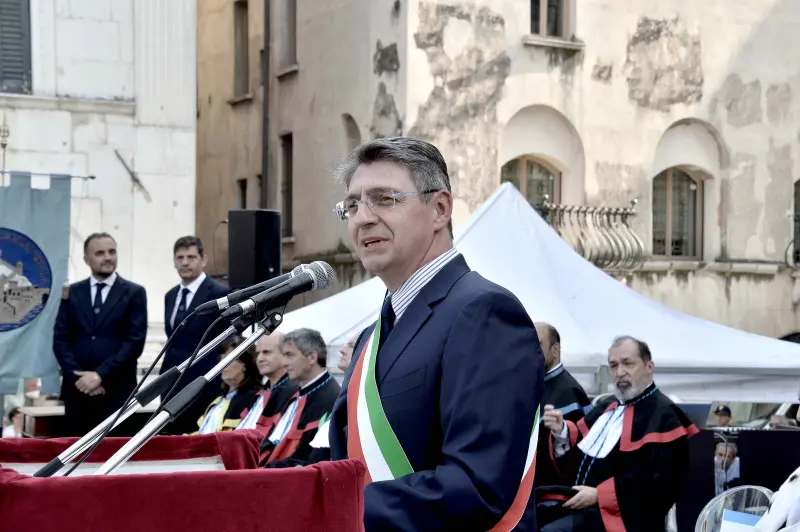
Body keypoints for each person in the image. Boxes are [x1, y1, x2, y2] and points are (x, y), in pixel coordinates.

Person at [327, 137, 544, 531]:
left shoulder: (485, 312)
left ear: (440, 208)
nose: (363, 218)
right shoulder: (370, 338)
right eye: (353, 205)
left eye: (385, 199)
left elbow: (478, 486)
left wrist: (326, 506)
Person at [540, 336, 698, 532]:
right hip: (582, 507)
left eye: (627, 363)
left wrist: (600, 495)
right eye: (613, 366)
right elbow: (580, 453)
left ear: (649, 367)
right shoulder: (607, 407)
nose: (620, 372)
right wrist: (561, 431)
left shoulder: (665, 416)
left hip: (623, 519)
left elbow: (661, 484)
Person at [53, 233, 148, 437]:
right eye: (99, 253)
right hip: (78, 393)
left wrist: (99, 376)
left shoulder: (134, 293)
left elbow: (134, 343)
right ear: (87, 259)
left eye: (111, 252)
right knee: (75, 458)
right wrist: (79, 377)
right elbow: (60, 340)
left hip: (117, 392)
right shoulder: (72, 293)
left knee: (114, 455)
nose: (107, 257)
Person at [160, 236, 232, 435]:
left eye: (191, 257)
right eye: (180, 257)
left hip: (202, 384)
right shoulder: (170, 295)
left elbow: (226, 338)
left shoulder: (219, 293)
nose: (184, 262)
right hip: (171, 384)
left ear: (203, 259)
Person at [259, 328, 340, 468]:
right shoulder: (297, 393)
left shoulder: (330, 399)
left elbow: (306, 458)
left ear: (312, 358)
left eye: (289, 355)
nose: (284, 363)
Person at [534, 323, 591, 490]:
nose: (530, 351)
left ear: (555, 349)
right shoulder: (529, 386)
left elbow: (576, 455)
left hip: (555, 497)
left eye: (537, 344)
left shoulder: (570, 393)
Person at [194, 336, 262, 434]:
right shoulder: (217, 401)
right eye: (222, 358)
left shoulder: (254, 399)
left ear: (245, 364)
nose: (223, 364)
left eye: (229, 359)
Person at [237, 332, 299, 435]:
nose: (260, 359)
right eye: (258, 353)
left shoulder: (294, 393)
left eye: (266, 352)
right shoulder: (260, 394)